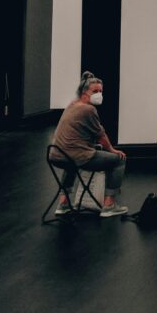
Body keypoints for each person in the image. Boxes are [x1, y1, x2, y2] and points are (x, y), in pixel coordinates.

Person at [50, 71, 128, 218]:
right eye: (95, 91)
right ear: (85, 92)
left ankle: (63, 203)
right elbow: (101, 135)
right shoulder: (89, 109)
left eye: (101, 91)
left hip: (56, 154)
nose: (99, 94)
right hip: (75, 156)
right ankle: (109, 205)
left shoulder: (72, 105)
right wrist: (112, 150)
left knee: (71, 162)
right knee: (119, 160)